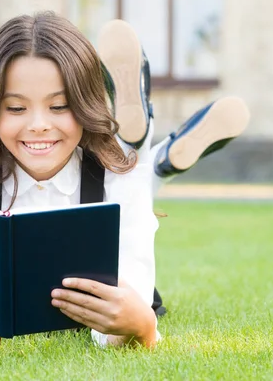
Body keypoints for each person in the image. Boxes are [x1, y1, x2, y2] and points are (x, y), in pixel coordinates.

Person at [0, 12, 249, 352]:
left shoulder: (118, 179)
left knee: (131, 172)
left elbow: (124, 324)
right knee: (135, 169)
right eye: (17, 108)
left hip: (117, 260)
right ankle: (153, 151)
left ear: (86, 105)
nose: (38, 123)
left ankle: (143, 142)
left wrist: (143, 329)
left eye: (59, 106)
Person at [96, 19, 251, 316]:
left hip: (107, 286)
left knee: (119, 190)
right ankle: (153, 156)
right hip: (122, 281)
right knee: (129, 186)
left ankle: (148, 154)